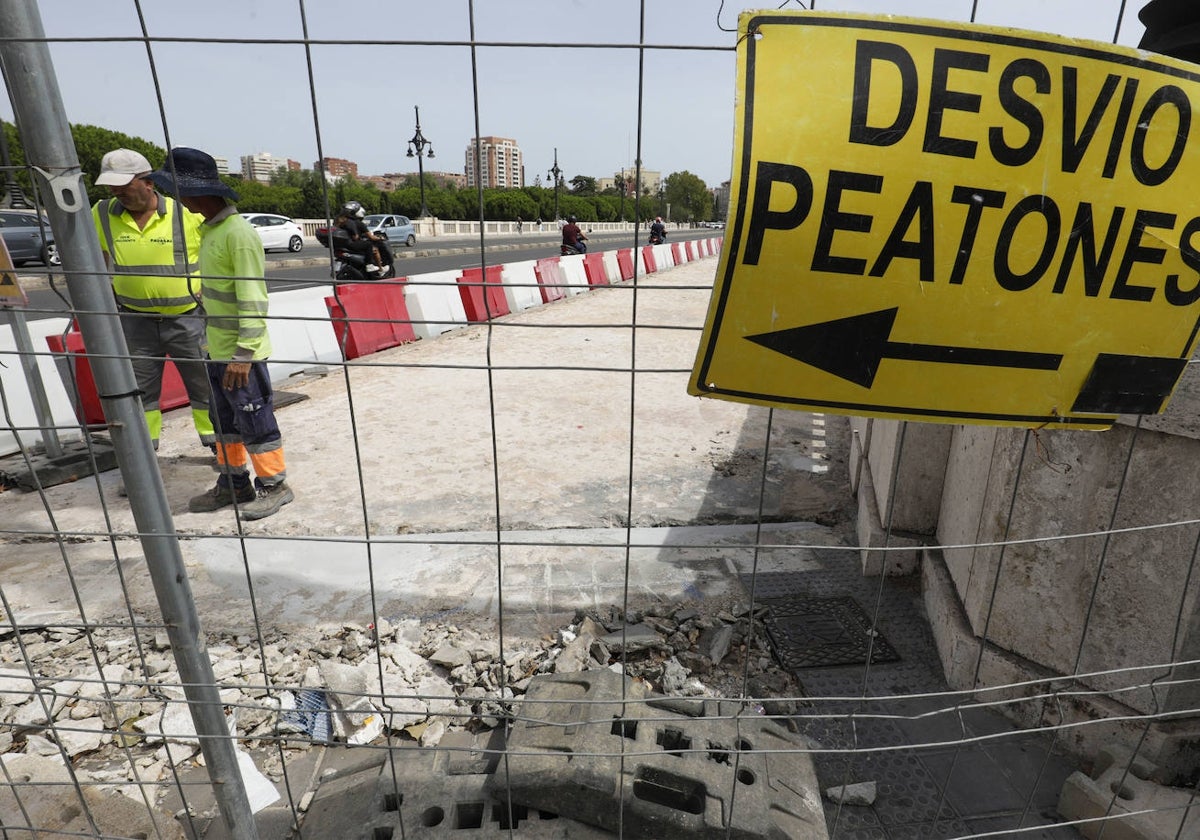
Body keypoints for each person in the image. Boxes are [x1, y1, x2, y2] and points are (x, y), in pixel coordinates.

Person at [148, 147, 294, 520]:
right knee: (223, 422)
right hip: (216, 349)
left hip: (240, 354)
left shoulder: (238, 234)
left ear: (195, 193)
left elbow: (252, 298)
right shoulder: (211, 231)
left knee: (255, 418)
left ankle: (274, 484)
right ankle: (234, 482)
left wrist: (244, 354)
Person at [92, 149, 213, 460]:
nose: (117, 192)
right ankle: (144, 462)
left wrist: (208, 292)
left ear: (147, 182)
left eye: (124, 185)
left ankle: (221, 450)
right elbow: (96, 260)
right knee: (139, 393)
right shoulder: (102, 213)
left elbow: (218, 254)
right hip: (135, 322)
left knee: (205, 387)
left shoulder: (185, 213)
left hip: (188, 319)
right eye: (111, 186)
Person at [333, 200, 393, 276]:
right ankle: (373, 267)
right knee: (370, 246)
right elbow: (371, 237)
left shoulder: (340, 221)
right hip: (352, 244)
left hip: (343, 245)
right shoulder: (359, 223)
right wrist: (380, 238)